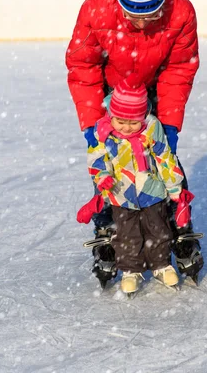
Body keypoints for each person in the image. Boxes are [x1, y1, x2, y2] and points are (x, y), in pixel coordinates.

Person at [65, 0, 203, 283]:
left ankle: (179, 228)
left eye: (150, 16)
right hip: (112, 91)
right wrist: (91, 122)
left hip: (152, 88)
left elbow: (180, 68)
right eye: (133, 17)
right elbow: (82, 67)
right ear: (120, 3)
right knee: (108, 161)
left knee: (164, 158)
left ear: (161, 3)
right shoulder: (96, 9)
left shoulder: (180, 11)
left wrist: (167, 124)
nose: (142, 25)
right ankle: (110, 231)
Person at [76, 78, 194, 294]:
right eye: (121, 121)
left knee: (159, 230)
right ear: (112, 116)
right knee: (126, 234)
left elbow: (164, 158)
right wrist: (102, 176)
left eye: (133, 122)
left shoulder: (152, 128)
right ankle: (131, 270)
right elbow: (96, 158)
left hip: (152, 191)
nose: (127, 127)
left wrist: (175, 186)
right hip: (121, 194)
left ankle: (161, 265)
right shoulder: (104, 132)